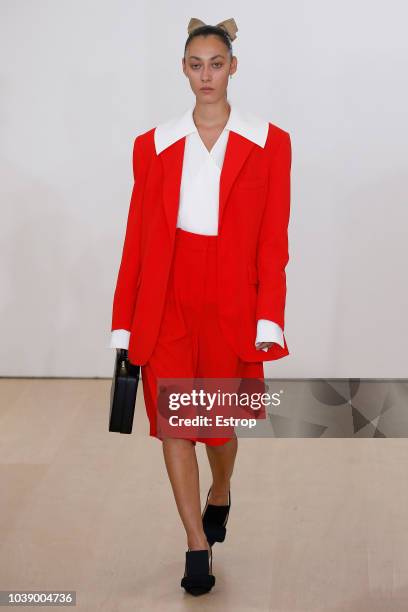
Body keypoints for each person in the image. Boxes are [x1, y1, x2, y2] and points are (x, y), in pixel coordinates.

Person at [109, 17, 292, 596]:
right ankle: (195, 543)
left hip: (232, 301)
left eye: (216, 63)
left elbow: (273, 239)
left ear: (233, 67)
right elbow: (137, 237)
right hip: (167, 298)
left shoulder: (269, 143)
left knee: (217, 428)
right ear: (183, 70)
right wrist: (123, 319)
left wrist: (270, 313)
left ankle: (220, 492)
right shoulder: (154, 146)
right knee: (175, 426)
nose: (206, 74)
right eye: (196, 64)